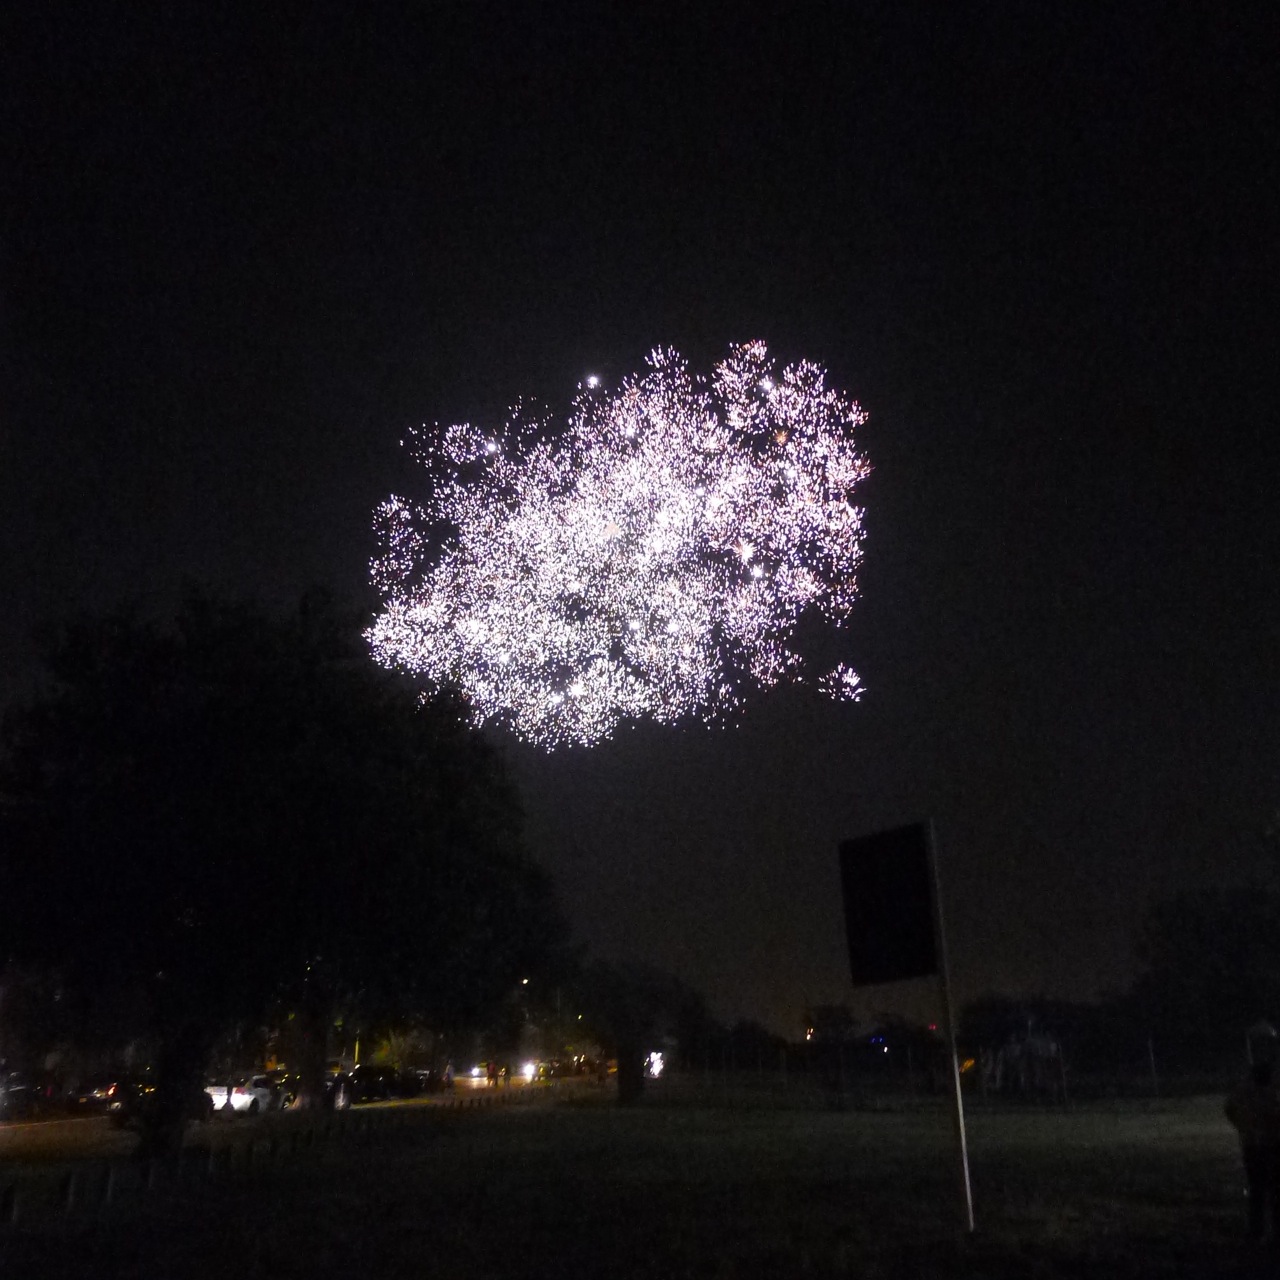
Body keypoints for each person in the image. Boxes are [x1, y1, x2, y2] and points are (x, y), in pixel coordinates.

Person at [1225, 1059, 1280, 1241]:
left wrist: (1242, 1127)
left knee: (1256, 1190)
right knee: (1274, 1190)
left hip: (1251, 1146)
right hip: (1272, 1146)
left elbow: (1229, 1108)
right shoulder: (1272, 1095)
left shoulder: (1244, 1093)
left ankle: (1256, 1230)